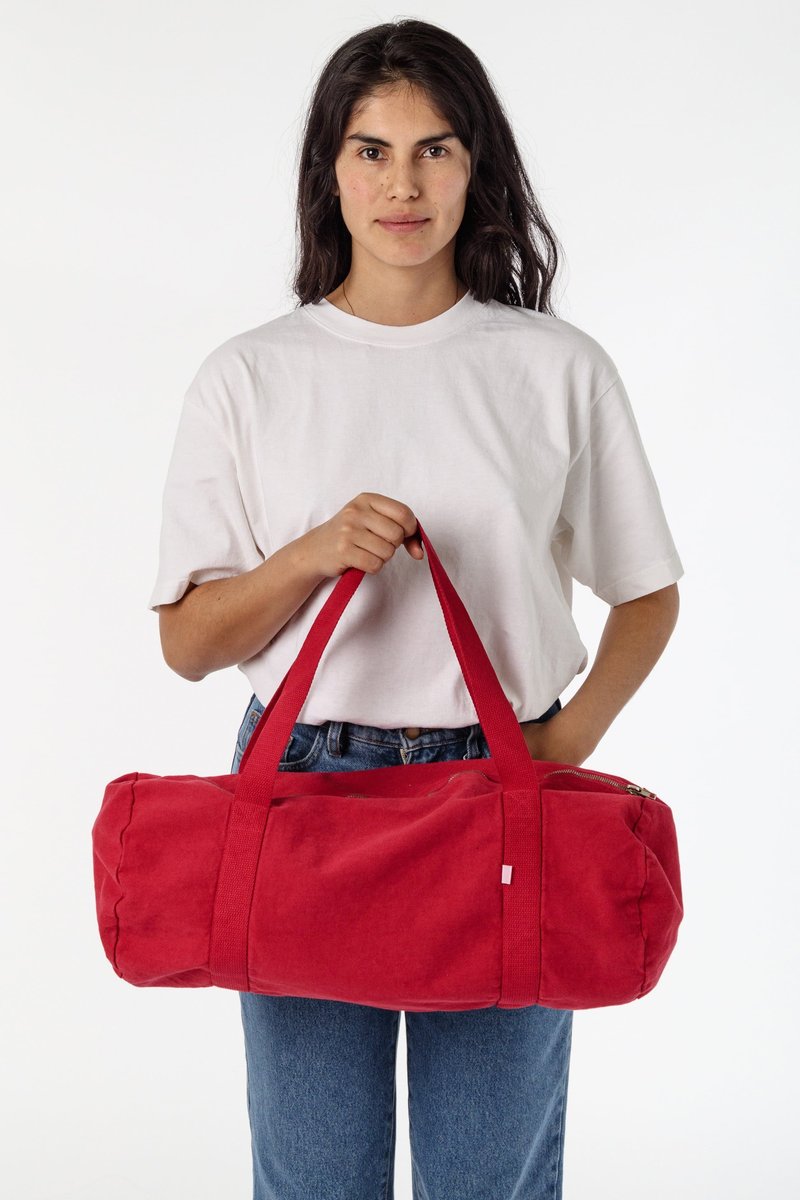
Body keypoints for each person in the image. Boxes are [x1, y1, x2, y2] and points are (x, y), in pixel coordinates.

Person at [147, 17, 683, 1200]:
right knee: (313, 1178)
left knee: (489, 1177)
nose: (402, 185)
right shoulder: (248, 375)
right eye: (371, 151)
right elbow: (186, 642)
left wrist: (565, 744)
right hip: (306, 786)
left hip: (501, 789)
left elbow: (646, 593)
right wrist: (308, 557)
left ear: (473, 166)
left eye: (434, 150)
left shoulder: (553, 367)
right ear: (328, 172)